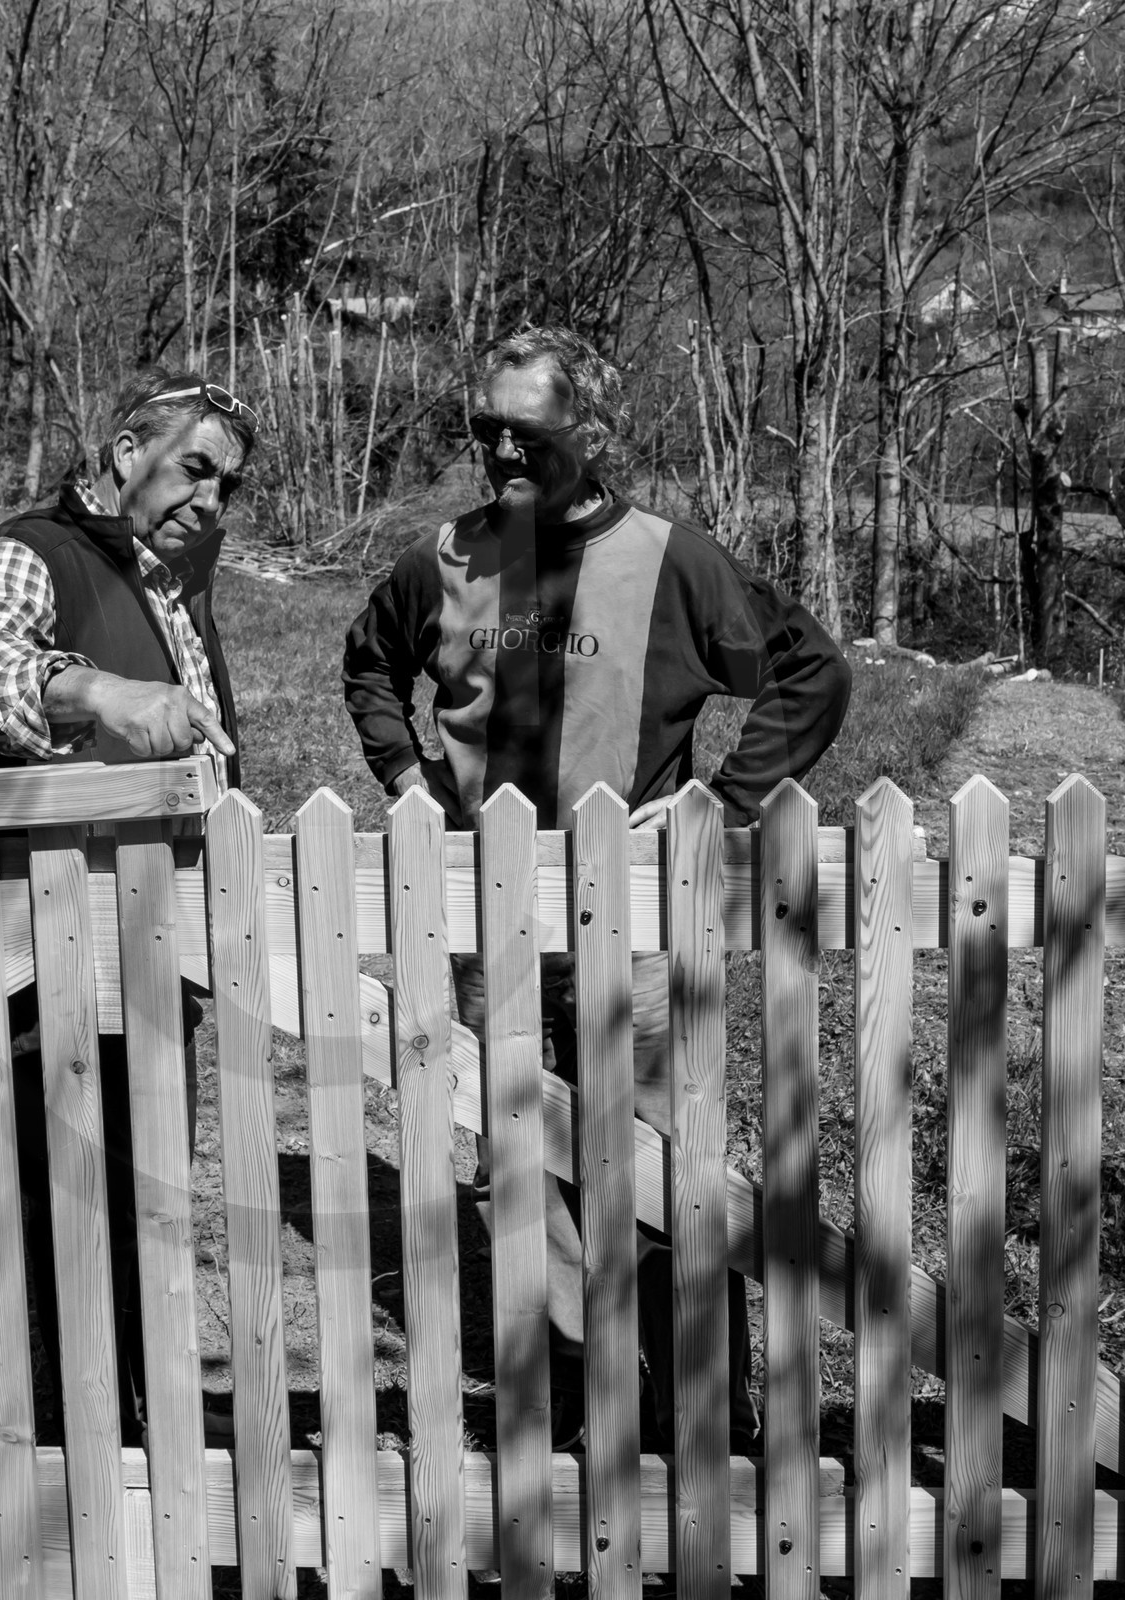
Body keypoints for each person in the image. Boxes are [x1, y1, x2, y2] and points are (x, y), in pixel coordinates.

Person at [341, 325, 851, 1449]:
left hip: (640, 939)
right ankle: (572, 1414)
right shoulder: (443, 560)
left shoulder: (672, 559)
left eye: (529, 433)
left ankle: (690, 1419)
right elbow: (370, 663)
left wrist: (727, 794)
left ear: (593, 431)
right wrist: (405, 777)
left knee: (664, 1178)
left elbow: (811, 668)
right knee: (523, 1168)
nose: (502, 455)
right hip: (492, 936)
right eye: (485, 432)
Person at [0, 367, 256, 1444]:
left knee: (140, 1207)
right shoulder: (29, 552)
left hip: (157, 949)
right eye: (195, 469)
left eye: (228, 486)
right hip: (47, 957)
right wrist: (103, 694)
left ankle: (130, 1439)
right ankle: (64, 1467)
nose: (211, 500)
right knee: (53, 1213)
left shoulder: (166, 581)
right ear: (126, 450)